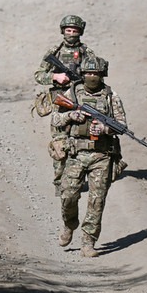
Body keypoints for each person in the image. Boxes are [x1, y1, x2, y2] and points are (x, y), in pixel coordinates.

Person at [51, 56, 126, 257]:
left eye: (96, 74)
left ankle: (88, 242)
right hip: (76, 154)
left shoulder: (111, 96)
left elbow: (121, 125)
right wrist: (70, 115)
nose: (92, 77)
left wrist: (104, 128)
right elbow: (55, 118)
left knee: (96, 201)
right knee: (68, 196)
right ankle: (69, 224)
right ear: (83, 74)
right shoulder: (72, 93)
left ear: (102, 75)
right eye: (88, 73)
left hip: (102, 155)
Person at [34, 15, 96, 197]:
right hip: (60, 104)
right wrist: (55, 77)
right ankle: (60, 183)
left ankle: (76, 181)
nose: (71, 34)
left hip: (80, 104)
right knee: (60, 144)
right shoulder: (55, 51)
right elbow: (39, 75)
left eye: (75, 31)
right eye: (68, 30)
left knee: (81, 143)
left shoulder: (87, 52)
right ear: (63, 31)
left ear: (80, 32)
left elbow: (96, 76)